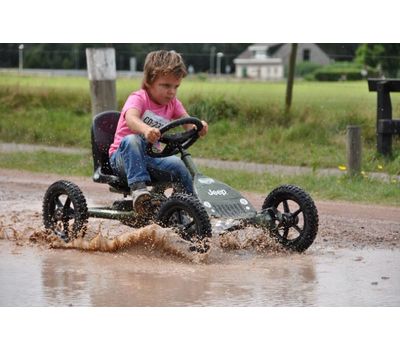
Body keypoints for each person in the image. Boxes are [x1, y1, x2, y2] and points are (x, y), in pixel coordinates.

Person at [109, 50, 208, 212]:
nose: (172, 91)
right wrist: (146, 129)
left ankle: (191, 207)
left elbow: (189, 124)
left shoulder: (173, 103)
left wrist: (200, 128)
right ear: (149, 81)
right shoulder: (139, 98)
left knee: (178, 164)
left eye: (176, 86)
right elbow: (131, 119)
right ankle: (139, 192)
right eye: (166, 85)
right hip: (123, 159)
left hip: (151, 157)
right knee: (132, 140)